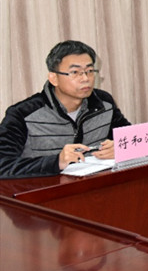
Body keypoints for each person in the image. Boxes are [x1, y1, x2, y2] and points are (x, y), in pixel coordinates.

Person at [0, 40, 130, 178]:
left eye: (90, 71)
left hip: (94, 185)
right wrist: (56, 162)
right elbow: (3, 164)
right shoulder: (23, 114)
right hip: (45, 188)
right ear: (54, 78)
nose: (85, 78)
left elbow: (135, 140)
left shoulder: (104, 103)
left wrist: (121, 148)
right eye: (75, 72)